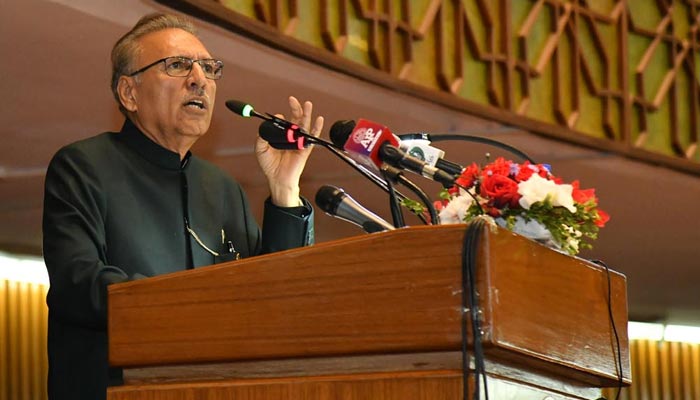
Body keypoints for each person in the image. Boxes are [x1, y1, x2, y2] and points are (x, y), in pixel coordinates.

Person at [42, 13, 324, 400]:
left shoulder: (224, 188)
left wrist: (285, 189)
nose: (200, 79)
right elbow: (79, 287)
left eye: (209, 68)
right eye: (177, 65)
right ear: (129, 93)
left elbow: (276, 303)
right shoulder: (83, 167)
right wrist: (196, 310)